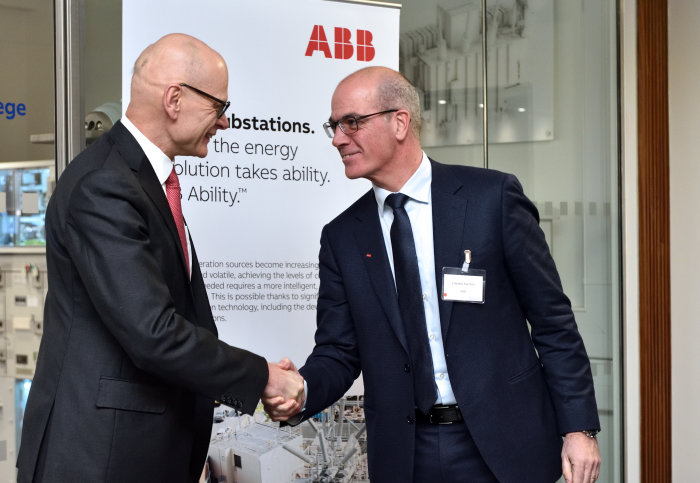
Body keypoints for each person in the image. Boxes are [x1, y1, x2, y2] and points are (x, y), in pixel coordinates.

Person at [264, 66, 601, 483]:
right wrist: (301, 390)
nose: (337, 138)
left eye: (352, 122)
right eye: (333, 126)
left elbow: (553, 322)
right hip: (407, 454)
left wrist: (579, 428)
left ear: (399, 121)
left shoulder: (490, 199)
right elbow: (338, 349)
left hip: (505, 444)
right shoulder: (341, 237)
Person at [16, 33, 303, 483]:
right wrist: (262, 377)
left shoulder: (141, 180)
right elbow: (153, 331)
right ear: (174, 99)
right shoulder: (105, 185)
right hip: (103, 456)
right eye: (219, 108)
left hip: (137, 449)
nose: (224, 124)